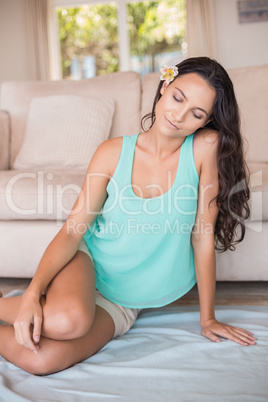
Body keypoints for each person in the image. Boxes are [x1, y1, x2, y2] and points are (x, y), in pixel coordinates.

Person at [0, 57, 256, 376]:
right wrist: (34, 292)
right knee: (66, 321)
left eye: (197, 113)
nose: (179, 115)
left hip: (122, 301)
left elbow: (202, 235)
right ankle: (21, 303)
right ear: (164, 86)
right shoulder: (112, 152)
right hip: (88, 261)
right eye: (178, 97)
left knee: (41, 360)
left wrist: (208, 319)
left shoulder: (205, 147)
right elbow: (73, 230)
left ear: (205, 123)